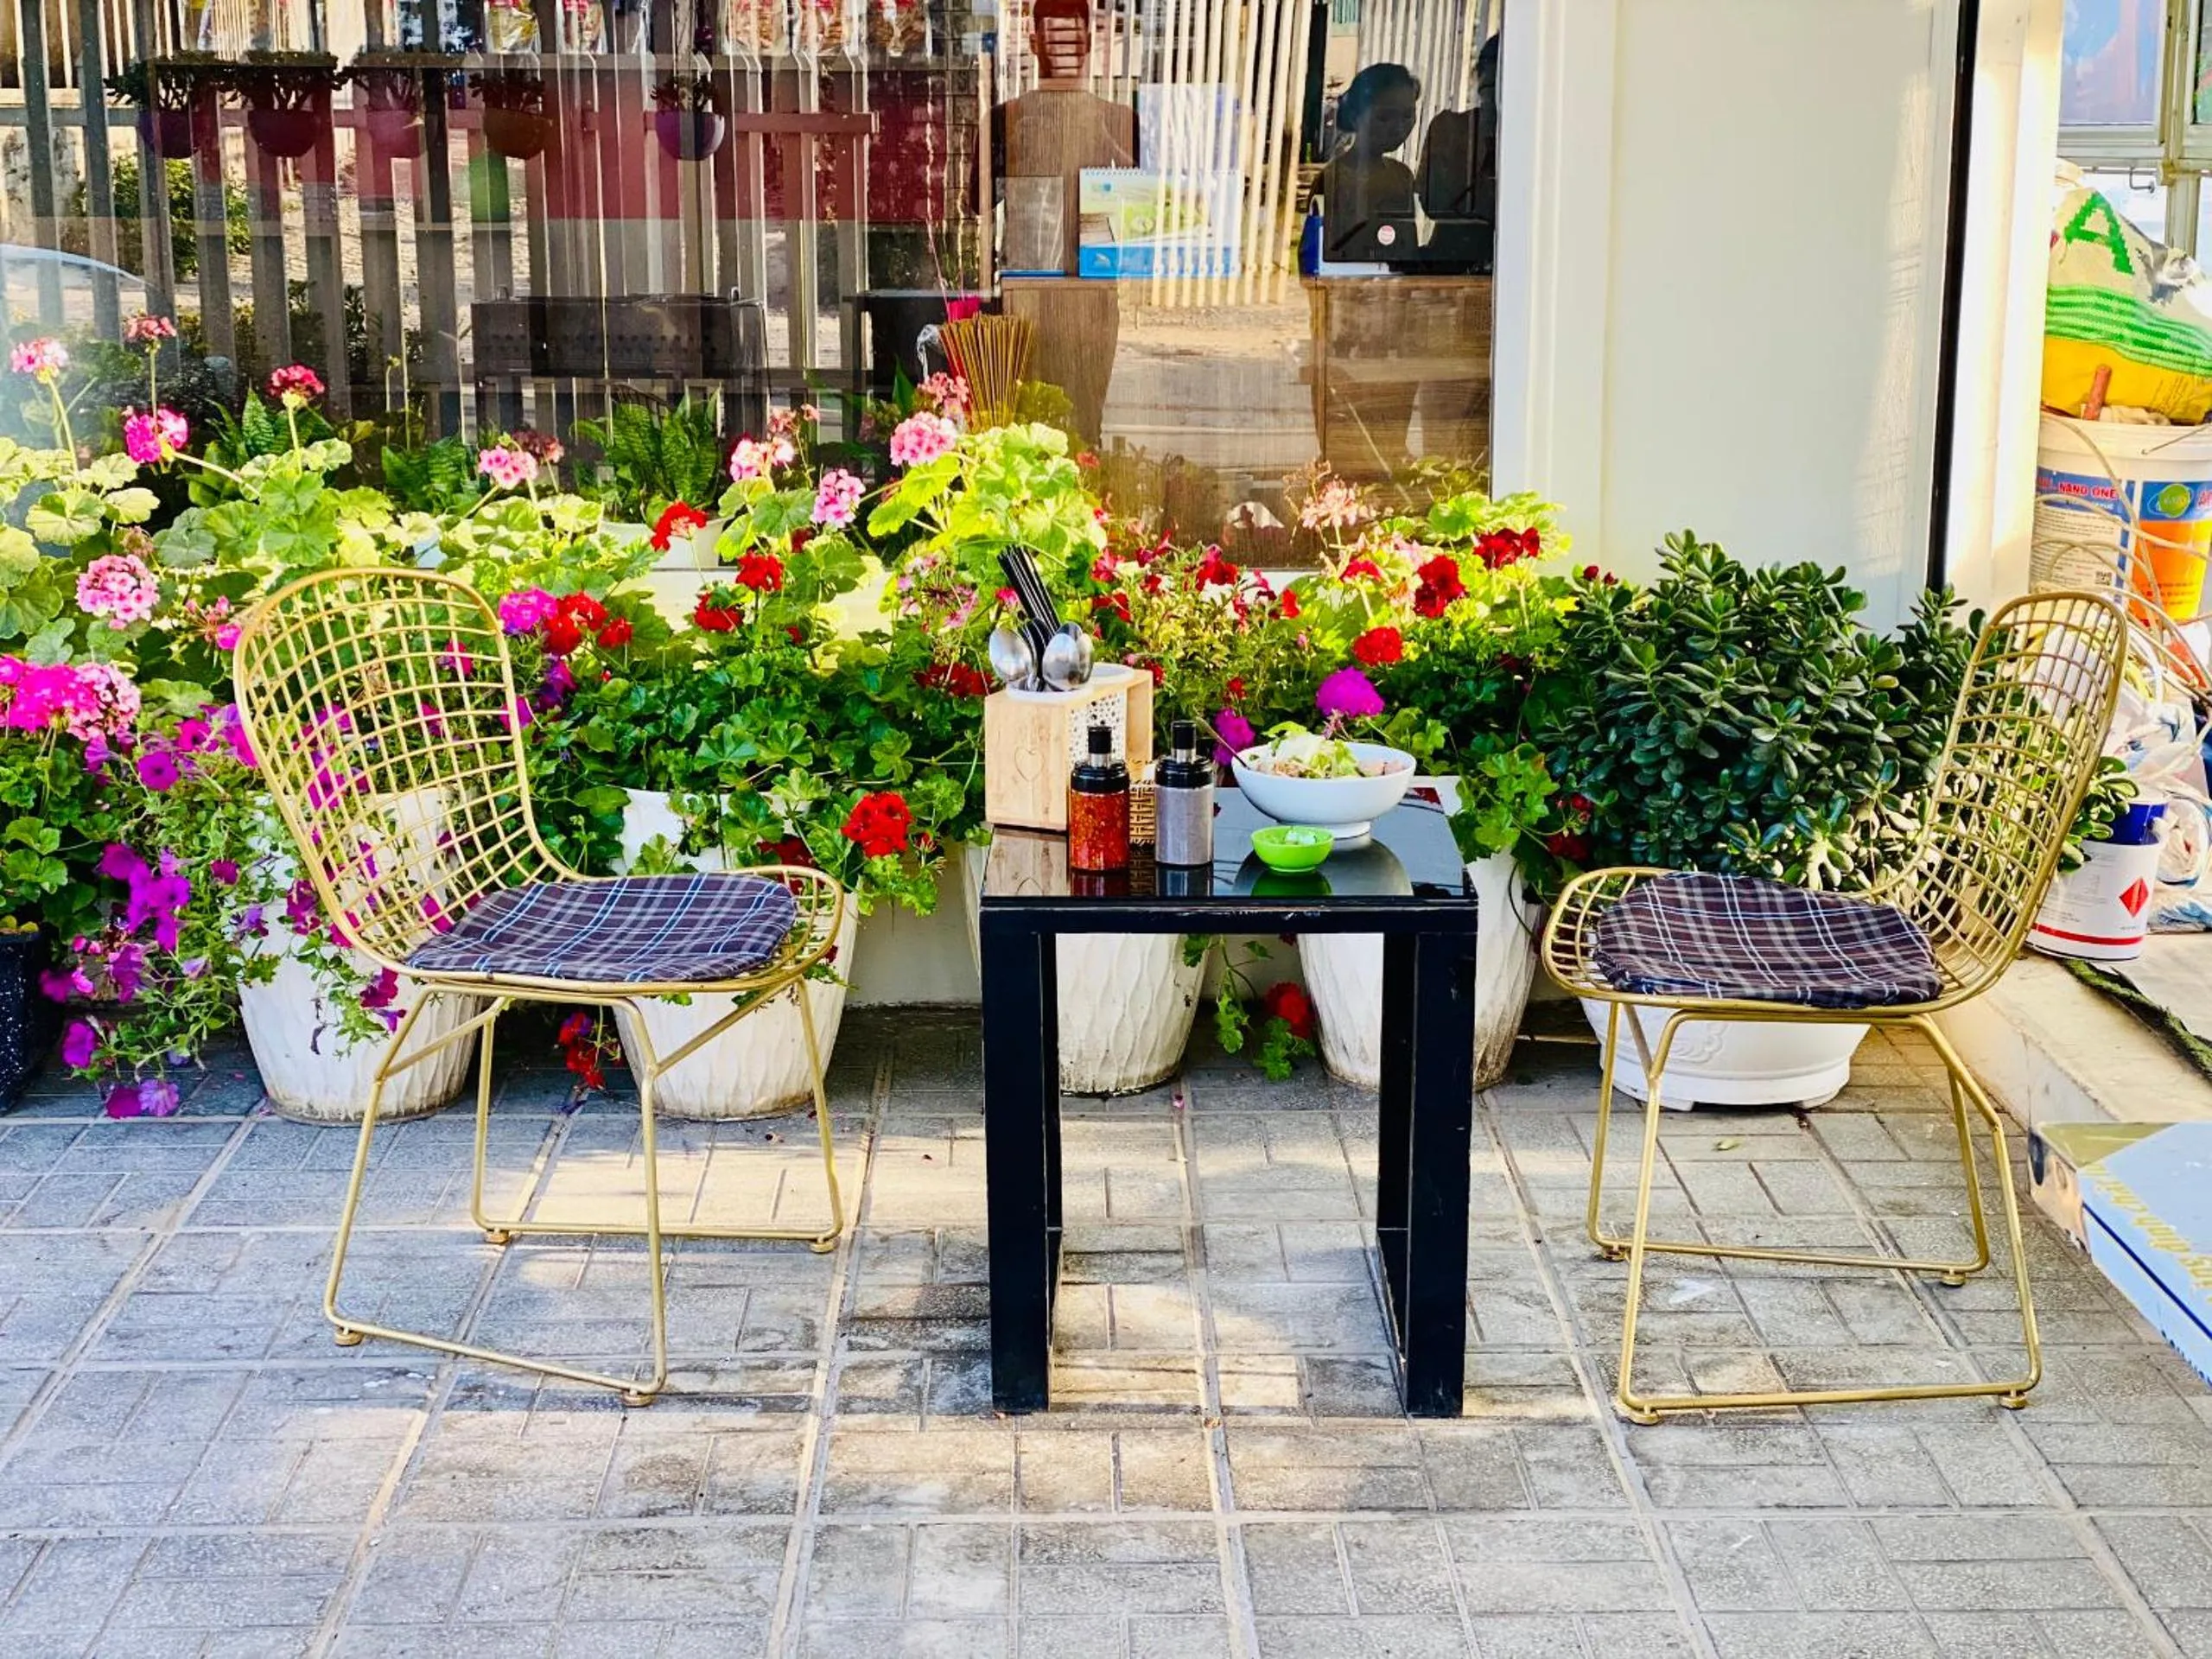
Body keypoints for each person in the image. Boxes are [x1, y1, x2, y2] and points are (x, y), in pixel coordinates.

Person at [1318, 62, 1421, 264]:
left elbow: (1409, 252)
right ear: (1355, 117)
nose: (1398, 127)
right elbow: (1321, 257)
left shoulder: (1402, 176)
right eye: (1384, 117)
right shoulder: (1334, 180)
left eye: (1408, 115)